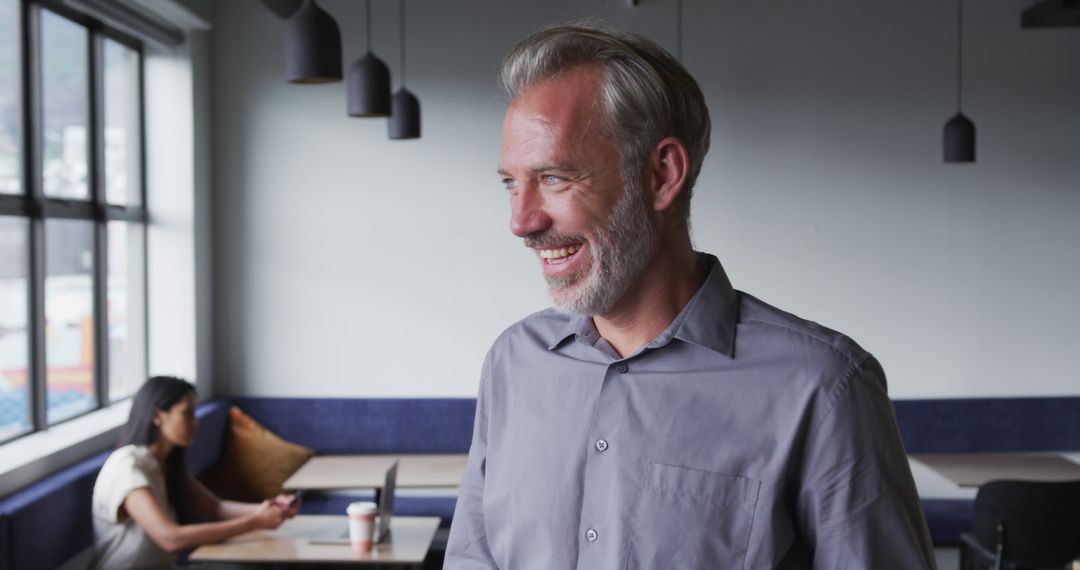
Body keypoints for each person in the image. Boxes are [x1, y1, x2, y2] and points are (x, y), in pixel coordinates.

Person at [444, 24, 936, 569]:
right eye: (510, 183)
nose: (521, 221)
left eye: (555, 177)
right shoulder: (513, 364)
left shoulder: (824, 389)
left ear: (661, 174)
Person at [90, 376, 300, 570]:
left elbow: (216, 508)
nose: (195, 421)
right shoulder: (127, 466)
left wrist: (269, 509)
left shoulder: (164, 465)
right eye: (186, 413)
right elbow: (169, 538)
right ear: (157, 415)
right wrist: (254, 522)